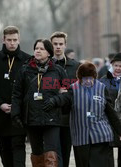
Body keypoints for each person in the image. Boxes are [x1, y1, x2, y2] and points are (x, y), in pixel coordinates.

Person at [43, 62, 121, 167]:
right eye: (84, 78)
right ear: (80, 78)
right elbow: (64, 100)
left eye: (90, 78)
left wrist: (120, 131)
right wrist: (54, 101)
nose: (87, 81)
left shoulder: (101, 88)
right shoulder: (73, 89)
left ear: (94, 77)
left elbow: (110, 111)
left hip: (101, 135)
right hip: (81, 137)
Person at [11, 38, 67, 167]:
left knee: (51, 152)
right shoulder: (25, 70)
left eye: (42, 49)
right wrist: (15, 113)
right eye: (36, 48)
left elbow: (68, 93)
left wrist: (56, 100)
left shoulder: (58, 71)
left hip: (51, 117)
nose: (38, 51)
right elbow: (17, 94)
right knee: (36, 152)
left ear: (49, 53)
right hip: (32, 117)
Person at [0, 26, 30, 167]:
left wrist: (17, 106)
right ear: (3, 40)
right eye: (9, 40)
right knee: (4, 150)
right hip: (0, 113)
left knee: (18, 147)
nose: (12, 43)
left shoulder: (27, 60)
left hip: (19, 113)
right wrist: (0, 104)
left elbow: (30, 86)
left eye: (15, 40)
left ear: (19, 39)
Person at [50, 31, 80, 167]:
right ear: (51, 45)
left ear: (65, 45)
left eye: (60, 44)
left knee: (66, 151)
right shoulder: (45, 65)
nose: (58, 47)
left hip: (69, 116)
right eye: (55, 44)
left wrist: (68, 92)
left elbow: (80, 89)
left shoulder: (75, 66)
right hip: (50, 115)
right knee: (52, 154)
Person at [100, 53, 121, 167]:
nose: (118, 68)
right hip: (108, 118)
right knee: (108, 148)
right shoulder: (104, 80)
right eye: (116, 65)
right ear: (112, 65)